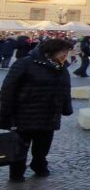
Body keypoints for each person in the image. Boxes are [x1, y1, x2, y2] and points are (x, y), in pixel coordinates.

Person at [0, 38, 74, 182]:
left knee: (43, 146)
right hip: (24, 114)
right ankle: (17, 172)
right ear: (51, 51)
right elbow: (8, 89)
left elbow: (65, 89)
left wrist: (66, 108)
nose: (66, 55)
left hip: (49, 115)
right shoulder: (24, 63)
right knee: (19, 146)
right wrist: (5, 113)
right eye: (63, 51)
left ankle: (39, 165)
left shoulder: (61, 67)